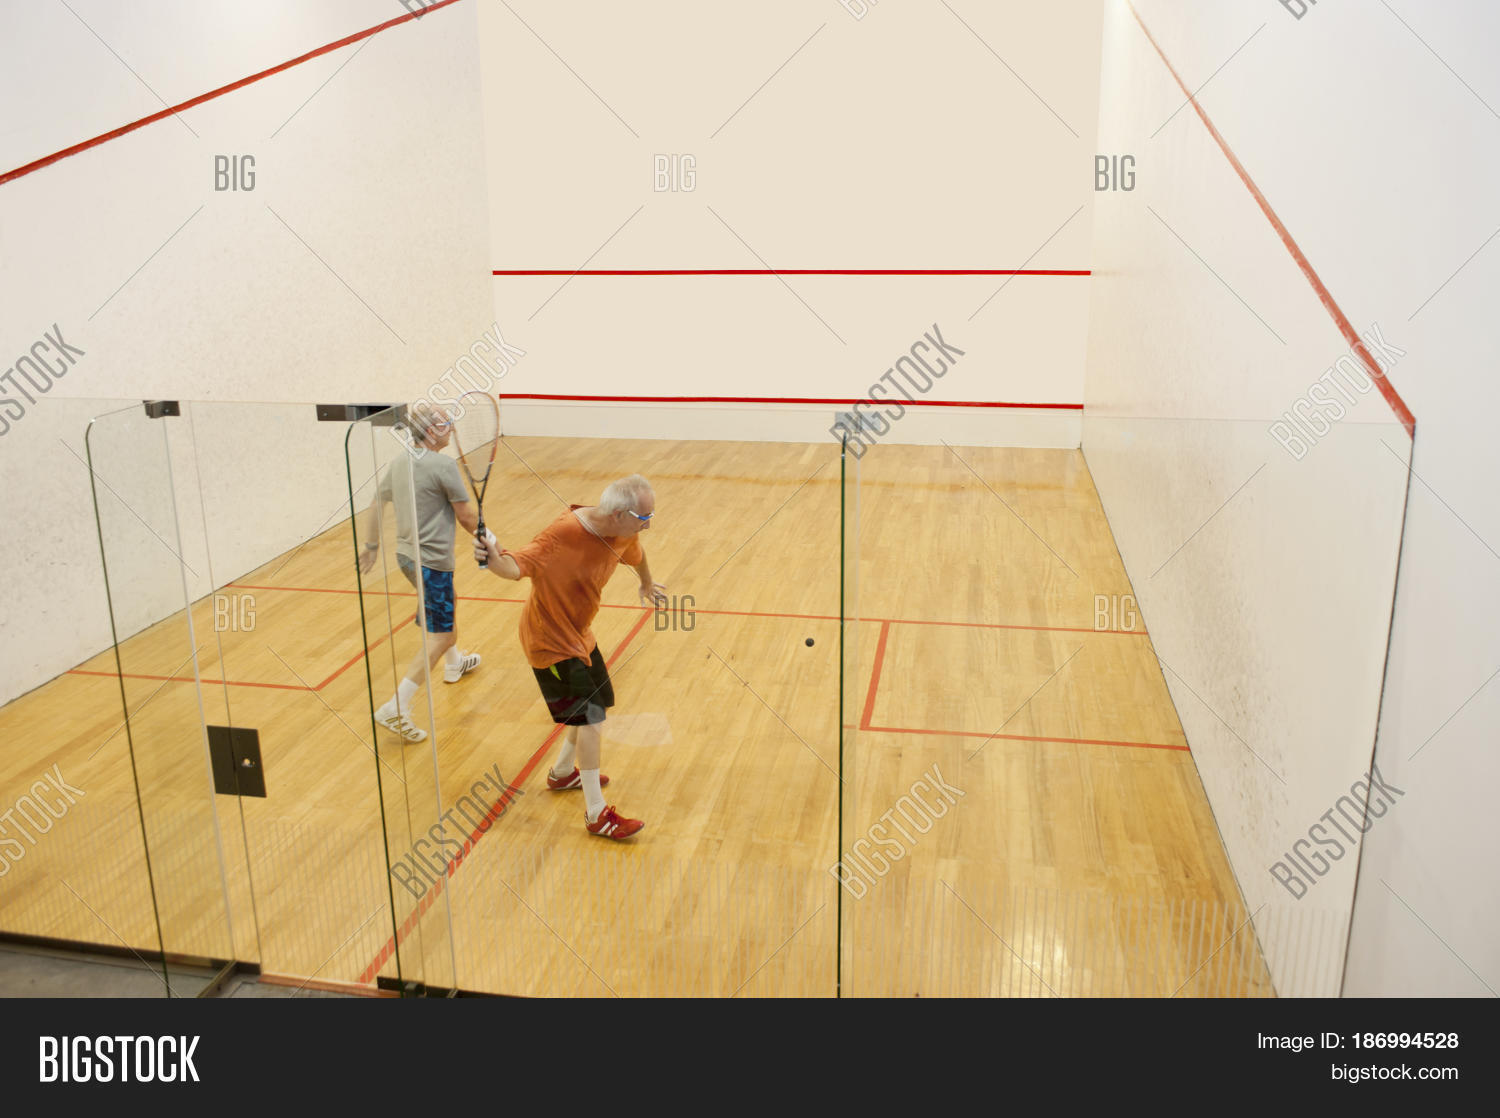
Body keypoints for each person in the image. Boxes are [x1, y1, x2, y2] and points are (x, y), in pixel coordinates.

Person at [474, 474, 666, 839]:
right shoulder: (561, 535)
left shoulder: (625, 531)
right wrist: (490, 557)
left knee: (599, 706)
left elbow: (637, 555)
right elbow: (514, 568)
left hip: (579, 634)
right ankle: (596, 814)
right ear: (618, 513)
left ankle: (562, 773)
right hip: (549, 641)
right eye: (644, 517)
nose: (649, 523)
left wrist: (645, 582)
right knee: (590, 719)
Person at [359, 406, 482, 743]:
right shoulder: (443, 465)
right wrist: (491, 541)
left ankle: (454, 664)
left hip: (407, 558)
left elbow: (375, 503)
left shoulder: (399, 462)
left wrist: (371, 545)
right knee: (441, 635)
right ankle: (396, 705)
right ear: (430, 432)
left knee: (448, 605)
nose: (452, 427)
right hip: (431, 563)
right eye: (446, 423)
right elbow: (467, 517)